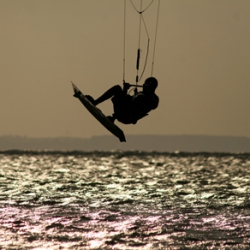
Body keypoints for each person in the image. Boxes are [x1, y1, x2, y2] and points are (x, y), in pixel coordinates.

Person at [77, 77, 159, 124]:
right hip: (122, 111)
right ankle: (95, 102)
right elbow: (126, 101)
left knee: (127, 98)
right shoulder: (141, 94)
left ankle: (113, 118)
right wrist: (125, 90)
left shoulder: (153, 99)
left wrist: (127, 92)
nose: (144, 85)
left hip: (127, 117)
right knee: (117, 88)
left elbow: (149, 105)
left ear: (152, 87)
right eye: (144, 83)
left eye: (147, 84)